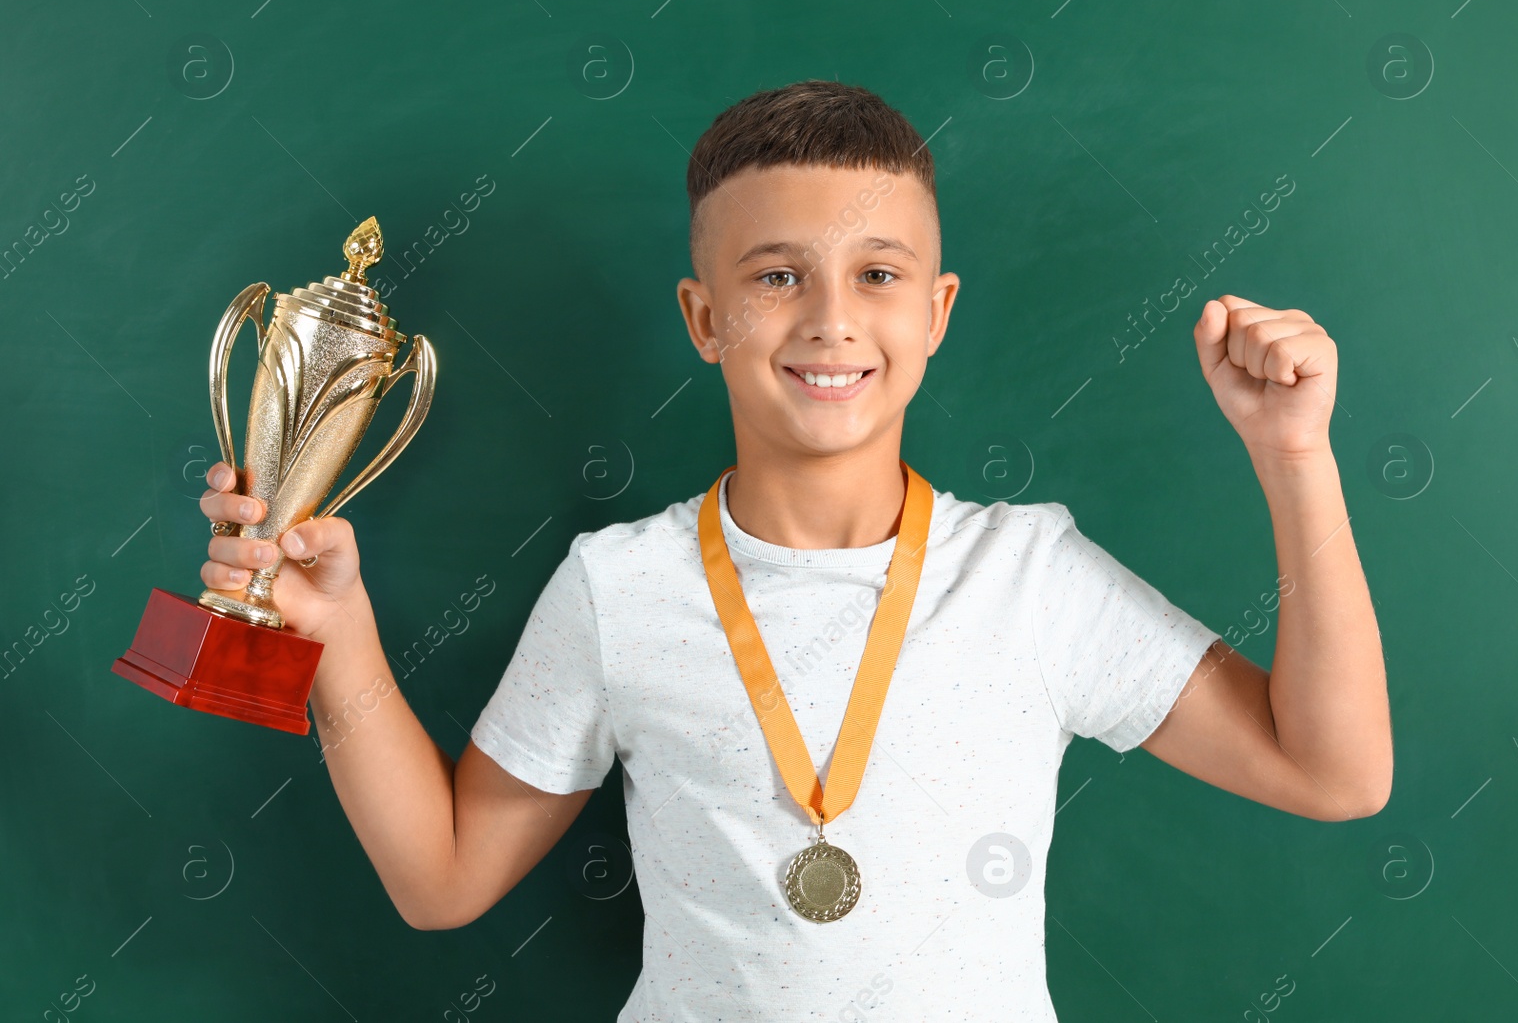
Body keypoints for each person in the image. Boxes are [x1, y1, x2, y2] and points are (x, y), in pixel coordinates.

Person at [199, 80, 1390, 1022]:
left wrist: (1293, 456)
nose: (830, 317)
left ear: (936, 310)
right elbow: (440, 878)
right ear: (704, 317)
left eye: (879, 273)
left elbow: (1334, 774)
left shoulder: (1032, 575)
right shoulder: (620, 587)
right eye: (776, 276)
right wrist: (340, 637)